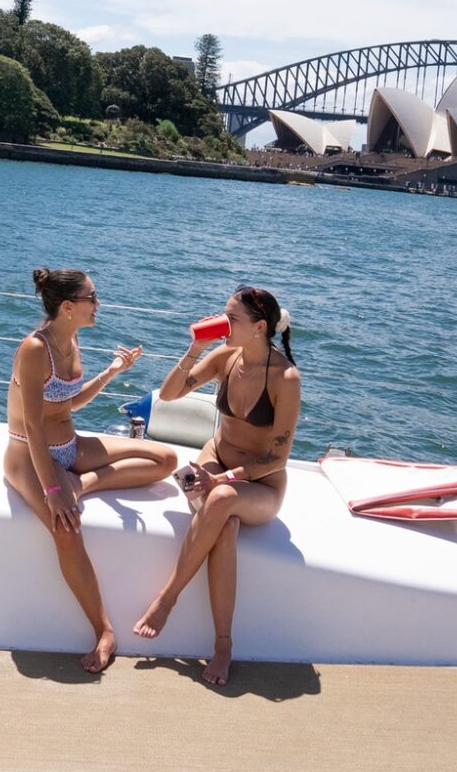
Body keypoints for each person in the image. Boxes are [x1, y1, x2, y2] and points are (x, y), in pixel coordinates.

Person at [3, 268, 178, 674]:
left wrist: (112, 371)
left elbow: (70, 402)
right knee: (66, 528)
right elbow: (32, 424)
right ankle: (104, 631)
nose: (98, 304)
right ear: (68, 307)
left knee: (165, 460)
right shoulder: (34, 349)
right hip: (28, 454)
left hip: (69, 447)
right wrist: (52, 488)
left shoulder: (72, 338)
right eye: (92, 298)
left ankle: (84, 482)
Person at [133, 285, 301, 686]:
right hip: (214, 462)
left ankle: (167, 598)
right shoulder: (225, 356)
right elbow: (170, 394)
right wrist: (195, 347)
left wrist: (221, 479)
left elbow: (276, 458)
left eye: (233, 319)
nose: (223, 324)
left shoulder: (285, 378)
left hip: (260, 485)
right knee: (223, 523)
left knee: (222, 498)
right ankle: (223, 644)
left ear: (260, 327)